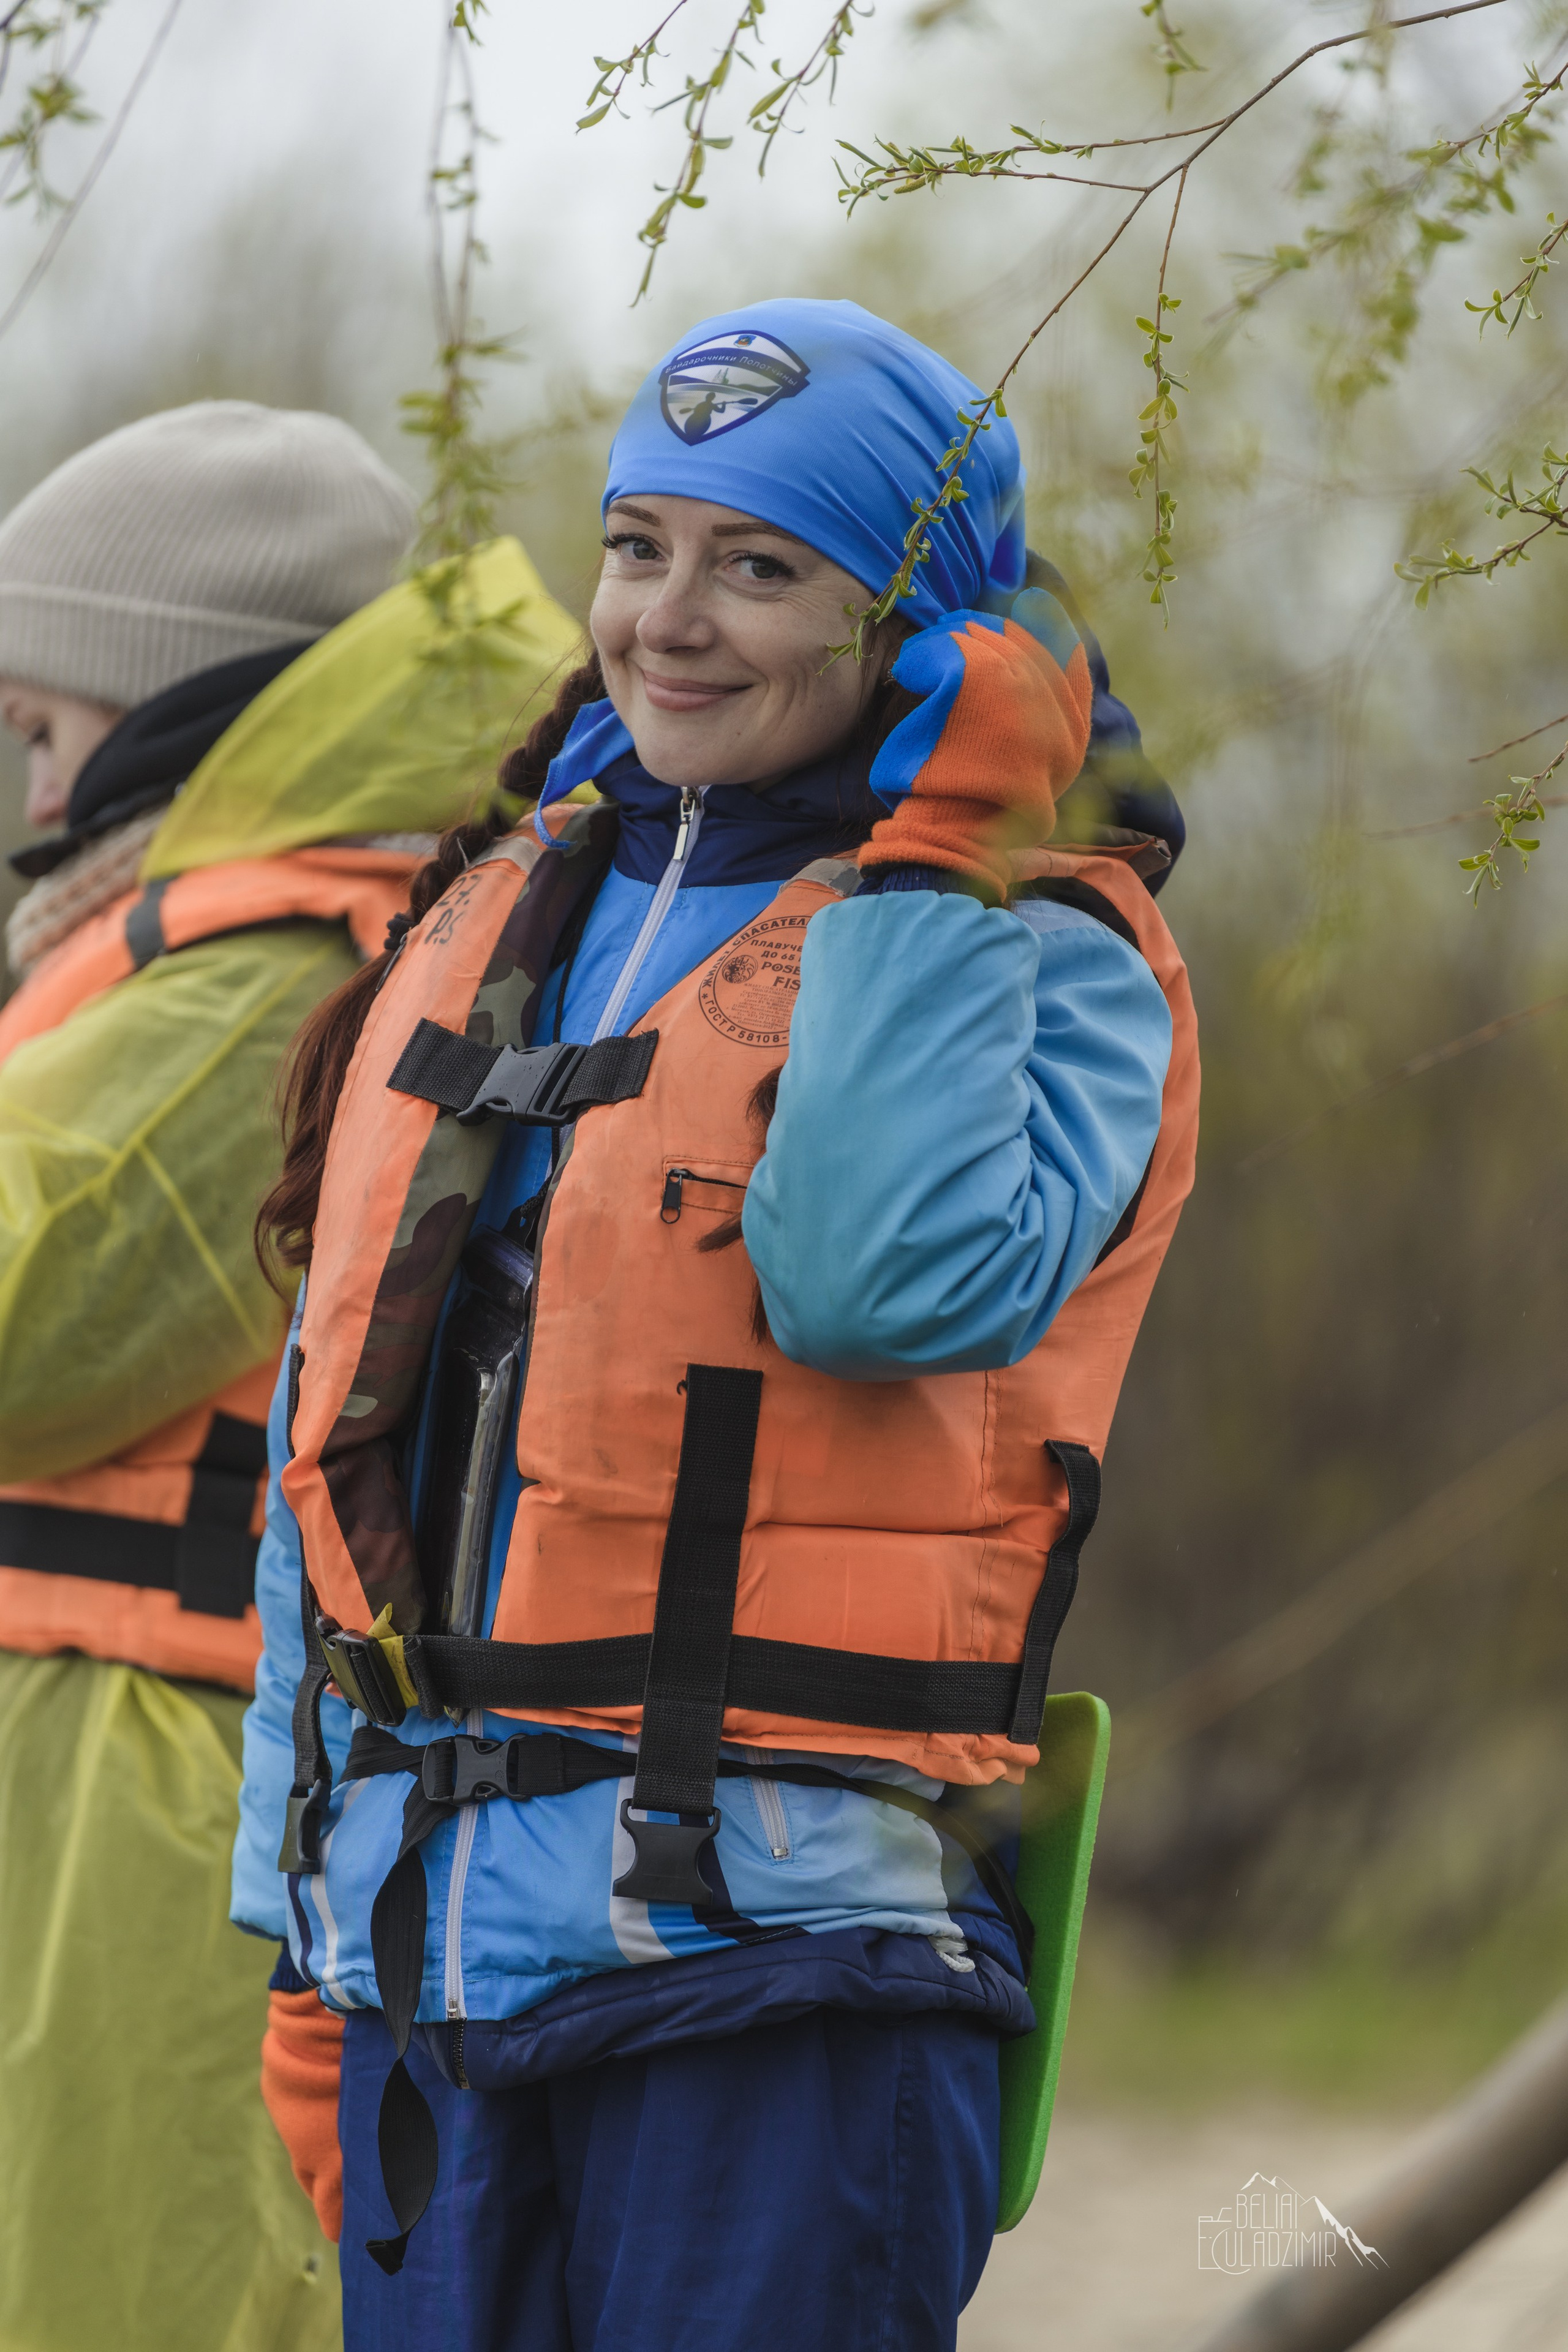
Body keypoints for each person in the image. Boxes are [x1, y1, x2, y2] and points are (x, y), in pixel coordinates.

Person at [242, 299, 1200, 2352]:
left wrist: (938, 861)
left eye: (764, 568)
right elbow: (324, 1456)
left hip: (787, 1989)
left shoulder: (1055, 948)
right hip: (428, 1983)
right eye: (640, 545)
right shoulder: (513, 906)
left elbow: (888, 1283)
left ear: (922, 626)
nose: (670, 620)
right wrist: (300, 1950)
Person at [0, 399, 579, 2352]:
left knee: (134, 2299)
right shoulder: (219, 947)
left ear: (177, 719)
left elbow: (28, 1331)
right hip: (105, 1765)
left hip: (146, 1800)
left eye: (44, 727)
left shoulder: (269, 975)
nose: (25, 784)